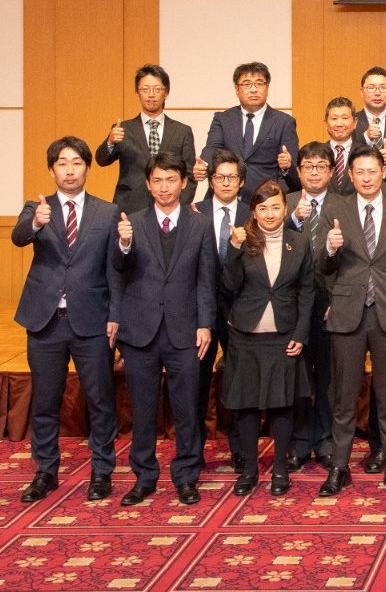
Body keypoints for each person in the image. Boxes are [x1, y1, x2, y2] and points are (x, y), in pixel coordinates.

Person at [13, 136, 120, 503]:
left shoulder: (107, 212)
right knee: (45, 401)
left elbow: (115, 270)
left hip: (92, 320)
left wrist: (115, 315)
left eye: (77, 162)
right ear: (52, 169)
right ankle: (45, 471)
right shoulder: (37, 208)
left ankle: (102, 471)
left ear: (88, 168)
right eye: (62, 163)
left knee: (100, 400)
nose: (70, 170)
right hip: (46, 321)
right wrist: (35, 223)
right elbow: (18, 237)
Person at [110, 152, 216, 507]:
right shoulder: (132, 223)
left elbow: (206, 279)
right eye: (157, 180)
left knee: (187, 409)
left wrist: (205, 324)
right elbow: (118, 270)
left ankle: (186, 476)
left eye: (171, 180)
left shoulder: (200, 224)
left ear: (184, 183)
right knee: (142, 410)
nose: (164, 187)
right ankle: (144, 476)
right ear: (148, 184)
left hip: (185, 330)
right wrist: (124, 244)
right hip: (140, 330)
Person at [319, 145, 386, 497]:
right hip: (347, 312)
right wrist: (330, 248)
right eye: (359, 172)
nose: (366, 178)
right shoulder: (335, 209)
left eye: (372, 171)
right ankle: (339, 466)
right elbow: (322, 267)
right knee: (344, 396)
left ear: (383, 172)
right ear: (350, 175)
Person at [222, 180, 314, 496]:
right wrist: (234, 249)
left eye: (276, 207)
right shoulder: (242, 239)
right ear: (254, 211)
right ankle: (249, 469)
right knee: (247, 405)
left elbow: (307, 291)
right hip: (246, 336)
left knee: (282, 404)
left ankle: (279, 469)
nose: (270, 214)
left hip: (284, 335)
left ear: (286, 209)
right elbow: (229, 284)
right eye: (263, 208)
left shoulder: (299, 242)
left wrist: (301, 333)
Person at [191, 148, 249, 471]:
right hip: (200, 310)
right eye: (219, 177)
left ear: (241, 182)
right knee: (197, 381)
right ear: (211, 180)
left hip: (240, 309)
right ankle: (194, 450)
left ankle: (240, 449)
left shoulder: (252, 213)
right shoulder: (193, 211)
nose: (225, 182)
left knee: (238, 381)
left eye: (232, 177)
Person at [285, 142, 336, 471]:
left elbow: (354, 258)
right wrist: (293, 220)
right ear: (299, 171)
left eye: (321, 166)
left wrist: (338, 299)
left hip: (332, 304)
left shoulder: (344, 204)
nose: (314, 172)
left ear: (331, 171)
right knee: (298, 377)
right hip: (293, 307)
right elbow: (267, 243)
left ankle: (326, 441)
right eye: (308, 166)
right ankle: (299, 442)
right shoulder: (285, 203)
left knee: (330, 378)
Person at [95, 64, 197, 214]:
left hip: (170, 208)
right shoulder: (123, 129)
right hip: (130, 207)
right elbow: (101, 160)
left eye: (157, 89)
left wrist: (177, 207)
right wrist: (110, 142)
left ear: (166, 92)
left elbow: (190, 175)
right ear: (137, 92)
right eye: (145, 89)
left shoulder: (182, 131)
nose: (151, 95)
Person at [194, 62, 299, 201]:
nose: (253, 89)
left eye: (259, 83)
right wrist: (204, 165)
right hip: (227, 195)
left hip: (265, 199)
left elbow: (291, 165)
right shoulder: (223, 119)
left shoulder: (284, 122)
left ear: (267, 87)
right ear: (237, 89)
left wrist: (286, 171)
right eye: (247, 84)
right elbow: (212, 148)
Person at [320, 96, 360, 196]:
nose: (339, 124)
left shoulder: (365, 152)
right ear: (326, 123)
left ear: (355, 122)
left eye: (345, 118)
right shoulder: (318, 153)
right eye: (334, 118)